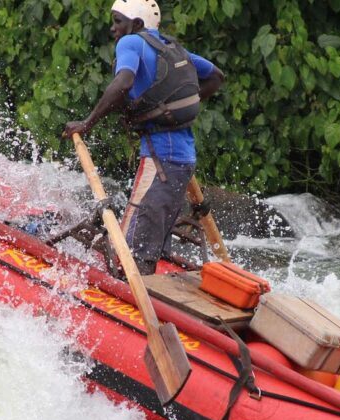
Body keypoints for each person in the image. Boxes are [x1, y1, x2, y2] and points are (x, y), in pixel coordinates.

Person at [63, 0, 224, 275]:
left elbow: (124, 81)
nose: (113, 29)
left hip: (160, 162)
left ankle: (132, 297)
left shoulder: (131, 43)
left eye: (117, 21)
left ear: (136, 24)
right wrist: (164, 107)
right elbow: (216, 76)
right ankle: (149, 285)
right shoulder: (172, 48)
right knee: (150, 246)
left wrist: (88, 123)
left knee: (129, 252)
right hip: (183, 161)